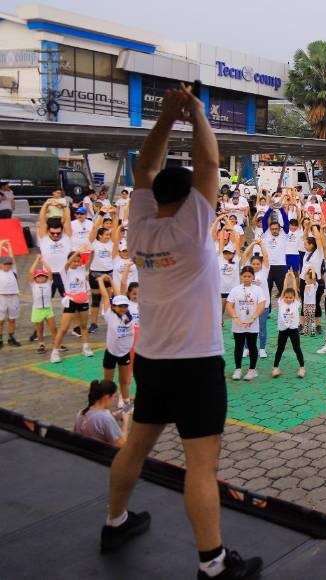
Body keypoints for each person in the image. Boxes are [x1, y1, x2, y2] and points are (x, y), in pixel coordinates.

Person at [105, 86, 262, 577]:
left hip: (152, 360)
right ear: (190, 196)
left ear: (155, 197)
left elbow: (143, 170)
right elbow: (209, 162)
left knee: (136, 446)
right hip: (195, 364)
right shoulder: (192, 227)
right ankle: (213, 564)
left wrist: (166, 118)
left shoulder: (140, 228)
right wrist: (194, 111)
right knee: (201, 465)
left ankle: (114, 522)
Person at [97, 277, 135, 409]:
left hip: (124, 353)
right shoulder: (109, 315)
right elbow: (105, 296)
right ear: (113, 306)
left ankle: (126, 404)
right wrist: (101, 281)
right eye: (120, 306)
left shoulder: (128, 315)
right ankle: (104, 407)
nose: (123, 308)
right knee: (108, 383)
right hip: (111, 353)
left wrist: (112, 280)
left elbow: (119, 295)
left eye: (125, 306)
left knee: (124, 381)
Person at [49, 251, 92, 361]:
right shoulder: (64, 271)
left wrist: (91, 250)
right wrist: (77, 251)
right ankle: (55, 352)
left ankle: (85, 347)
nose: (76, 263)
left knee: (83, 326)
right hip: (71, 301)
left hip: (83, 300)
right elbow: (68, 262)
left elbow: (90, 259)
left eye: (78, 261)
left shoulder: (82, 269)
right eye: (74, 261)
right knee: (63, 328)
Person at [74, 379, 130, 447]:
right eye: (114, 396)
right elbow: (122, 446)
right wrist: (125, 422)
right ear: (107, 397)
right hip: (99, 453)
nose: (114, 400)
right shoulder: (106, 418)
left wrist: (112, 416)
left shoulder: (81, 413)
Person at [272, 271, 305, 379]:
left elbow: (294, 289)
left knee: (297, 348)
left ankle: (302, 367)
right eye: (286, 297)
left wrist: (294, 278)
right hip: (283, 330)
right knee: (280, 349)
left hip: (293, 330)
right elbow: (284, 289)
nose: (288, 299)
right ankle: (275, 367)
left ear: (294, 298)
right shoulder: (281, 302)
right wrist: (286, 276)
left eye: (290, 297)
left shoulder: (296, 303)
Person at [28, 257, 57, 354]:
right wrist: (37, 259)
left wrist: (43, 261)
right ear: (35, 278)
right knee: (39, 330)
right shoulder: (33, 284)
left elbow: (49, 271)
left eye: (43, 276)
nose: (41, 278)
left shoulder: (49, 283)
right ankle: (41, 344)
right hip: (37, 310)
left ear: (46, 277)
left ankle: (57, 343)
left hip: (48, 309)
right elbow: (31, 271)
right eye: (38, 276)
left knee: (53, 328)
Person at [0, 253, 19, 348]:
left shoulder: (13, 271)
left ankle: (11, 338)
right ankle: (0, 339)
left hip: (13, 298)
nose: (8, 265)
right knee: (0, 320)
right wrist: (1, 246)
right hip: (1, 298)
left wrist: (9, 246)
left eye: (9, 264)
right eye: (5, 264)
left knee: (12, 319)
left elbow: (12, 257)